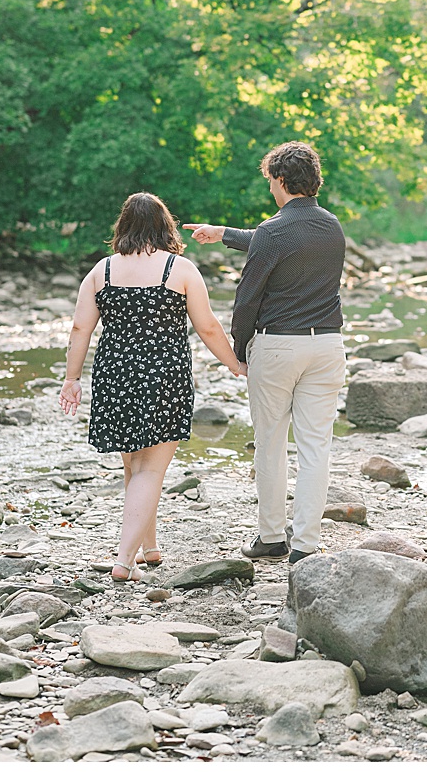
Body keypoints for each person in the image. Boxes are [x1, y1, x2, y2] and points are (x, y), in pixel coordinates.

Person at [59, 193, 244, 582]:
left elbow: (80, 328)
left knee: (135, 467)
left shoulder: (101, 271)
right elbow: (207, 325)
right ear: (166, 226)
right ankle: (124, 561)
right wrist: (235, 364)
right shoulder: (180, 269)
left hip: (115, 376)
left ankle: (150, 547)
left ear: (122, 227)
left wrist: (72, 379)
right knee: (150, 470)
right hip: (164, 376)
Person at [184, 141, 347, 564]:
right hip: (327, 346)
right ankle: (306, 546)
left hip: (277, 346)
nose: (270, 190)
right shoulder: (331, 226)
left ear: (280, 180)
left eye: (270, 182)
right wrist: (224, 234)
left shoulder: (274, 231)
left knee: (271, 444)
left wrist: (239, 352)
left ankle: (272, 537)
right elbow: (278, 241)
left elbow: (247, 299)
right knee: (316, 447)